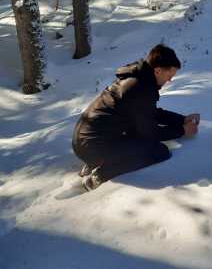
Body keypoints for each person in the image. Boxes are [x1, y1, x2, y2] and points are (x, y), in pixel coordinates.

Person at [72, 44, 200, 191]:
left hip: (84, 141)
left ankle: (96, 160)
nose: (169, 80)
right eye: (169, 76)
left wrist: (181, 119)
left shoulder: (137, 80)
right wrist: (182, 131)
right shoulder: (140, 88)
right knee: (159, 151)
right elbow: (151, 132)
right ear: (158, 71)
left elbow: (150, 113)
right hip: (93, 146)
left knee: (137, 136)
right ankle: (102, 173)